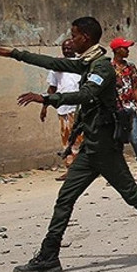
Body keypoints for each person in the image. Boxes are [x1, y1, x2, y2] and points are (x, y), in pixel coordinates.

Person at [0, 17, 137, 272]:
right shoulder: (88, 63)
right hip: (91, 148)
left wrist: (47, 98)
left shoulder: (101, 68)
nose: (70, 39)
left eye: (73, 35)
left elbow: (86, 95)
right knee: (65, 197)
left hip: (105, 148)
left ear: (85, 37)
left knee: (133, 196)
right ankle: (49, 256)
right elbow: (54, 63)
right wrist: (16, 54)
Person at [40, 39, 84, 181]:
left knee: (82, 139)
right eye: (64, 48)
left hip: (79, 108)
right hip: (63, 109)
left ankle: (85, 168)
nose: (66, 50)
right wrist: (44, 106)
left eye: (69, 48)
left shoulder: (81, 63)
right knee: (67, 141)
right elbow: (52, 88)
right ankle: (70, 169)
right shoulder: (57, 67)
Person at [110, 37, 137, 180]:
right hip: (115, 110)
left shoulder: (130, 68)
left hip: (130, 109)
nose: (127, 51)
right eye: (124, 48)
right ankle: (119, 171)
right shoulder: (108, 68)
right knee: (116, 141)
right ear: (116, 50)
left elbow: (135, 89)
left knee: (135, 138)